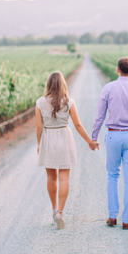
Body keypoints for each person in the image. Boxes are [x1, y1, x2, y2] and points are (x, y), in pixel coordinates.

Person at [92, 57, 128, 230]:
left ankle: (112, 217)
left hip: (113, 136)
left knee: (112, 175)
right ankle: (126, 220)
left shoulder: (108, 89)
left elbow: (99, 116)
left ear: (117, 70)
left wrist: (94, 136)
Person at [36, 71, 98, 229]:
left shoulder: (40, 102)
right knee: (64, 177)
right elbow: (77, 125)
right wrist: (89, 141)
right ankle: (60, 212)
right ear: (63, 84)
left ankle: (53, 209)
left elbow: (39, 127)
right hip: (64, 137)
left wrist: (39, 144)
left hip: (48, 138)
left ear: (48, 84)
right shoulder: (69, 102)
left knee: (51, 177)